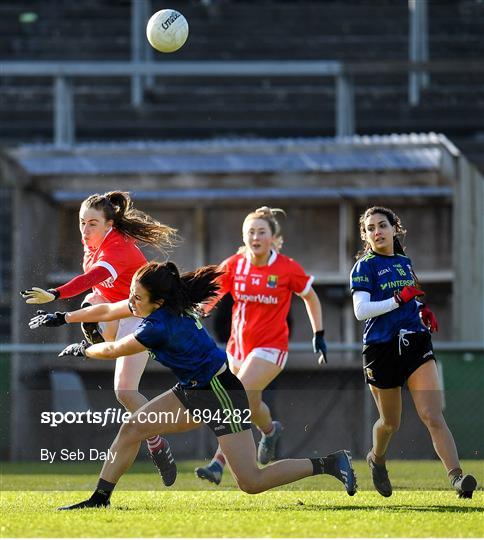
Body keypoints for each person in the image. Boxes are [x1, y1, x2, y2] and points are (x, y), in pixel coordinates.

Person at [29, 261, 357, 509]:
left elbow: (115, 349)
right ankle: (100, 498)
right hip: (192, 389)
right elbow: (113, 307)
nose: (131, 301)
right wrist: (66, 317)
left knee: (251, 482)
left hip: (220, 394)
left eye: (137, 297)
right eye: (132, 292)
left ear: (156, 301)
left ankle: (329, 463)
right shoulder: (158, 304)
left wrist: (83, 349)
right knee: (132, 429)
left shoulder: (157, 326)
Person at [21, 191, 179, 470]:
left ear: (109, 225)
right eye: (82, 222)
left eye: (92, 223)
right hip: (119, 309)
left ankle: (156, 442)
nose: (84, 229)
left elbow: (92, 278)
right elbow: (100, 296)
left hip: (144, 317)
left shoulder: (115, 248)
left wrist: (55, 295)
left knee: (125, 392)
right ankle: (156, 441)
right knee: (92, 303)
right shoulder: (92, 244)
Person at [350, 205, 477, 499]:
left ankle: (457, 478)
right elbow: (360, 311)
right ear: (365, 236)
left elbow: (411, 296)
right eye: (370, 228)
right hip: (381, 349)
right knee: (390, 423)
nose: (377, 232)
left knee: (432, 414)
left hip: (414, 341)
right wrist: (398, 299)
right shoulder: (364, 266)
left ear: (396, 229)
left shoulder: (404, 262)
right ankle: (376, 458)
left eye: (382, 225)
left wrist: (422, 309)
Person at [195, 206, 327, 485]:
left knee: (237, 395)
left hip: (271, 348)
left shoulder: (286, 268)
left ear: (273, 237)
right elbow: (215, 293)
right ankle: (269, 430)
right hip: (238, 349)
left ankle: (218, 463)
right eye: (250, 232)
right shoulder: (234, 264)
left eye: (261, 232)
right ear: (244, 237)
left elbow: (311, 298)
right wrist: (203, 309)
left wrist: (319, 333)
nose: (255, 237)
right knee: (251, 403)